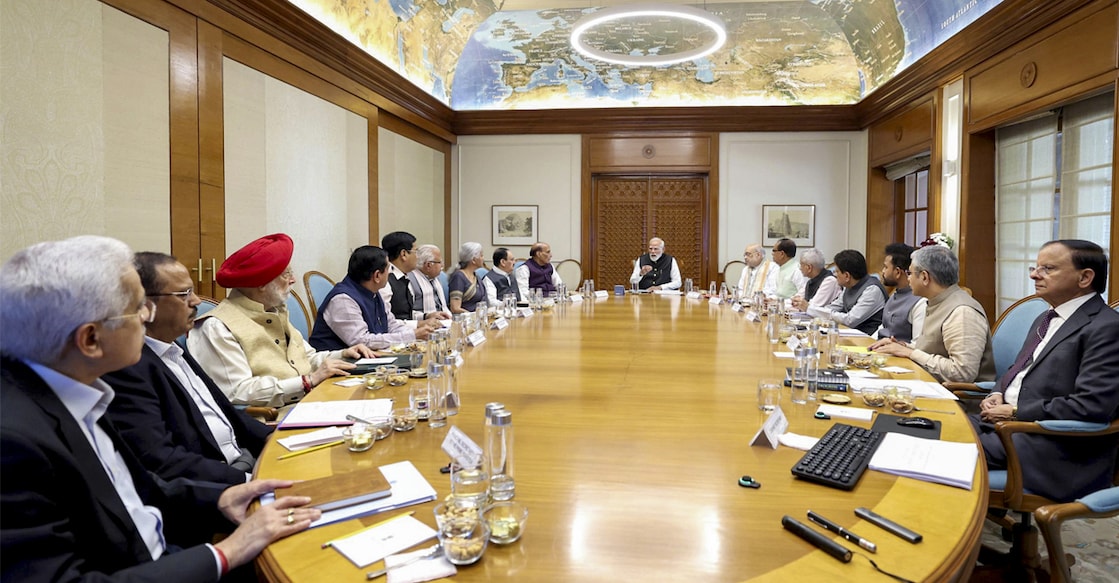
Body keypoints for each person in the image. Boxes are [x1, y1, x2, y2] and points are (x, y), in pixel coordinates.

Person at [0, 235, 319, 582]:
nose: (147, 320)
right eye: (140, 309)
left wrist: (223, 498)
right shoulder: (13, 442)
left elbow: (135, 487)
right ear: (90, 339)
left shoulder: (78, 385)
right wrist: (226, 553)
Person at [102, 253, 272, 487]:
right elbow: (161, 459)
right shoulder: (127, 368)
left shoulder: (173, 347)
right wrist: (247, 481)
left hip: (247, 461)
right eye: (184, 294)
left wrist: (272, 438)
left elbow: (228, 413)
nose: (197, 301)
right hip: (216, 485)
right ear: (143, 304)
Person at [970, 240, 1119, 502]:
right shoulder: (1046, 317)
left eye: (1047, 269)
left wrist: (1016, 411)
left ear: (1085, 277)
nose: (1034, 275)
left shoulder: (1106, 327)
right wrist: (998, 392)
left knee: (933, 448)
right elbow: (1019, 370)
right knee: (925, 424)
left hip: (1048, 445)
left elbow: (1093, 405)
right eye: (1035, 267)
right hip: (1005, 427)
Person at [188, 233, 374, 408]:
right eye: (286, 274)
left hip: (311, 401)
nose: (293, 280)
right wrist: (307, 382)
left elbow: (306, 358)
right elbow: (237, 392)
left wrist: (344, 354)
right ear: (261, 283)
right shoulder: (218, 326)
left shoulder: (274, 311)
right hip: (275, 418)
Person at [870, 245, 995, 383]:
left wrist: (911, 353)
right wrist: (902, 347)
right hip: (926, 382)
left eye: (910, 273)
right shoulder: (936, 302)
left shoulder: (962, 312)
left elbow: (962, 372)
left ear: (924, 277)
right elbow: (932, 349)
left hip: (954, 398)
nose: (908, 279)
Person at [309, 245, 422, 351]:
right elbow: (362, 341)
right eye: (388, 269)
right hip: (338, 364)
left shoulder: (373, 292)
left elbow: (390, 325)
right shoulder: (343, 300)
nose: (390, 273)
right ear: (377, 276)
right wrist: (412, 335)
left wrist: (417, 333)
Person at [806, 249, 886, 335]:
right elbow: (834, 307)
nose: (835, 275)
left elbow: (850, 320)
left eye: (837, 271)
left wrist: (811, 309)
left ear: (847, 276)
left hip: (867, 338)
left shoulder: (872, 290)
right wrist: (814, 311)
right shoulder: (849, 285)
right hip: (850, 334)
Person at [873, 243, 927, 343]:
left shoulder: (920, 302)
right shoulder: (895, 294)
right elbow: (884, 327)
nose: (882, 271)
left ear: (897, 272)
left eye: (886, 267)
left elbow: (918, 345)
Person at [407, 244, 451, 318]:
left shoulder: (435, 278)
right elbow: (406, 314)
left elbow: (443, 306)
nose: (442, 266)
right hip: (422, 324)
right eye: (440, 262)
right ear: (428, 265)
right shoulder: (410, 280)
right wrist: (426, 316)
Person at [448, 242, 488, 313]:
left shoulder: (476, 276)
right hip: (465, 320)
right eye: (481, 256)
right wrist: (472, 316)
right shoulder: (458, 277)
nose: (483, 258)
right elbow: (455, 308)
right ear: (473, 260)